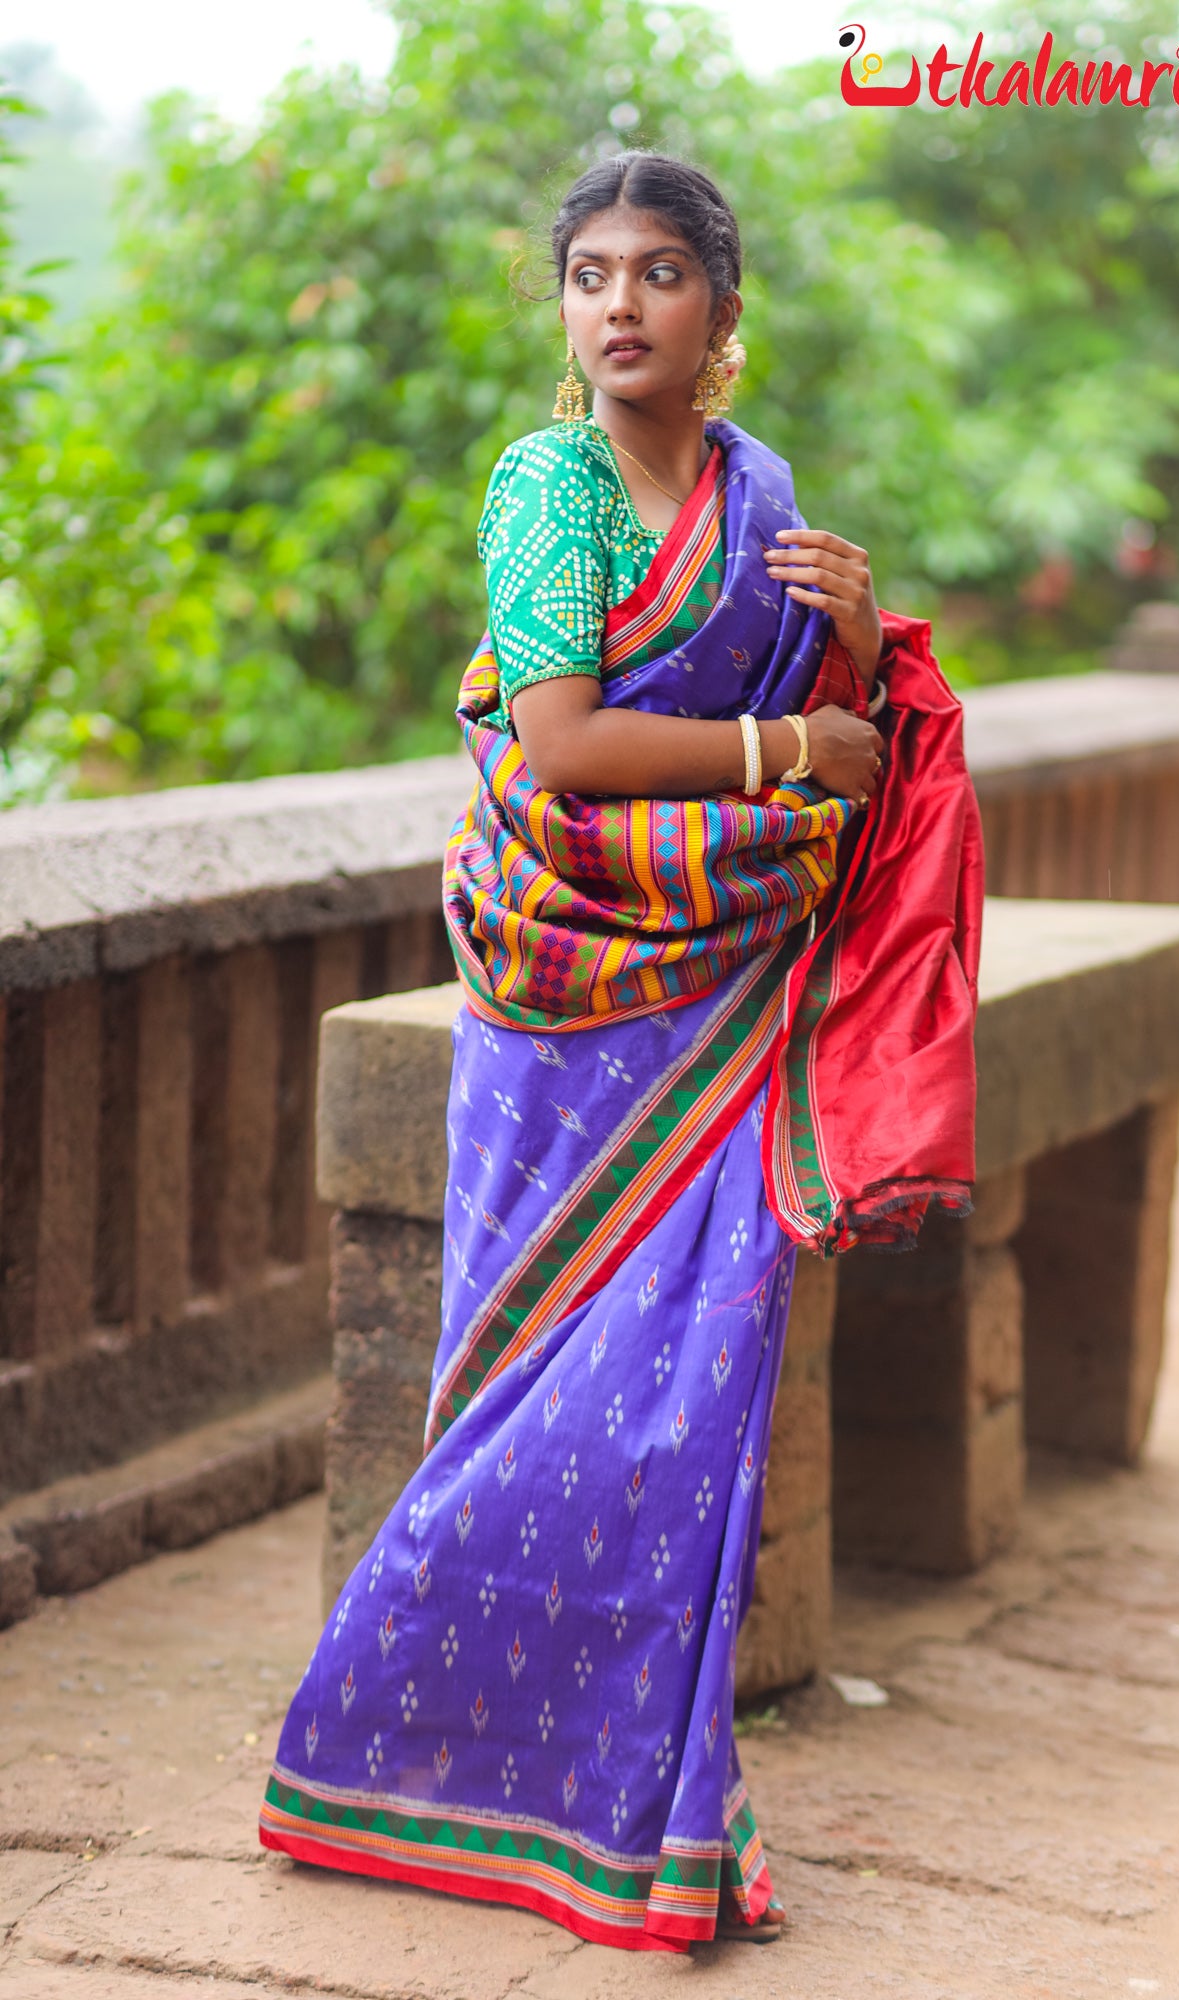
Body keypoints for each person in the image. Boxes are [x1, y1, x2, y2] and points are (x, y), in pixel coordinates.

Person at [260, 150, 983, 1953]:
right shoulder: (544, 486)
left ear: (721, 316)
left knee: (686, 1423)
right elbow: (566, 751)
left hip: (727, 997)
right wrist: (782, 762)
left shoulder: (764, 495)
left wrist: (842, 633)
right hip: (566, 1003)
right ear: (563, 306)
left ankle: (639, 1825)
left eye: (662, 273)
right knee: (528, 1396)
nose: (621, 305)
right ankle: (397, 1768)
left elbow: (844, 734)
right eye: (591, 273)